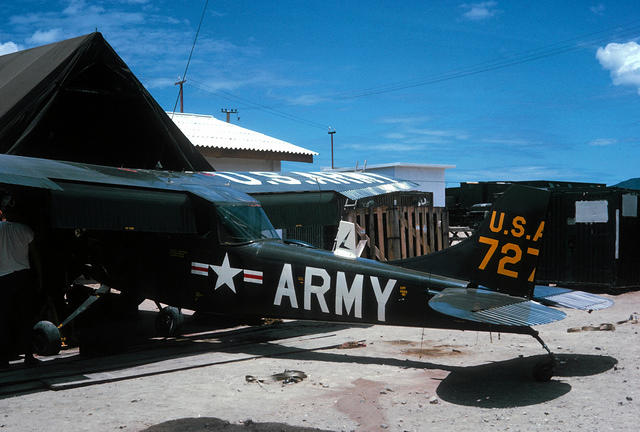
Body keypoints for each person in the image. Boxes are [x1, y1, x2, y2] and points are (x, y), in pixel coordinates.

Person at [0, 195, 41, 367]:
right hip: (23, 277)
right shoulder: (25, 230)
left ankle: (3, 359)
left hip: (2, 278)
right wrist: (40, 277)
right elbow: (35, 258)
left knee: (3, 318)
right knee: (25, 316)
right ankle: (29, 356)